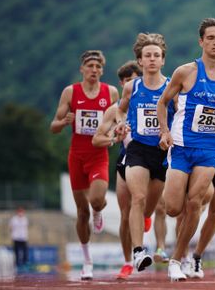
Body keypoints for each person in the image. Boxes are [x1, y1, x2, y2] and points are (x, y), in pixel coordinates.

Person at [157, 18, 215, 281]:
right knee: (173, 208)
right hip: (181, 147)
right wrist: (164, 131)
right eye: (210, 38)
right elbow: (163, 102)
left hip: (210, 150)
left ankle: (177, 259)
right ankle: (177, 251)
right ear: (201, 41)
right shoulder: (186, 72)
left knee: (195, 203)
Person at [50, 50, 119, 280]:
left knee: (96, 200)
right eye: (90, 66)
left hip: (99, 154)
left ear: (102, 70)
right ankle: (87, 260)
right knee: (81, 212)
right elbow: (54, 126)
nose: (94, 70)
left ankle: (98, 211)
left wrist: (116, 131)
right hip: (77, 156)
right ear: (82, 69)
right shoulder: (71, 92)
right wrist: (63, 121)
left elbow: (119, 120)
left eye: (98, 67)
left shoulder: (110, 93)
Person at [174, 39, 215, 278]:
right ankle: (179, 256)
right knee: (193, 204)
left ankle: (197, 256)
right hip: (200, 149)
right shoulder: (203, 81)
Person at [116, 33, 176, 273]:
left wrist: (168, 133)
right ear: (140, 61)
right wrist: (121, 124)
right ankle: (139, 251)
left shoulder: (172, 86)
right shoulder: (132, 87)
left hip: (162, 152)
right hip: (138, 149)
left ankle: (143, 221)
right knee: (137, 199)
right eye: (147, 56)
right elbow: (120, 110)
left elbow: (181, 115)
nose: (152, 59)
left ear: (163, 60)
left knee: (150, 208)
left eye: (156, 56)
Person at [91, 60, 142, 280]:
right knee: (125, 214)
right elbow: (97, 138)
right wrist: (114, 137)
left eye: (135, 81)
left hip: (153, 161)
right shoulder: (115, 109)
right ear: (122, 84)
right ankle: (128, 261)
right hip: (126, 160)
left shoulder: (154, 101)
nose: (132, 85)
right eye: (128, 81)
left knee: (152, 206)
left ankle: (145, 216)